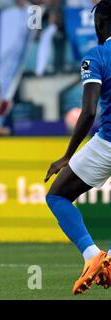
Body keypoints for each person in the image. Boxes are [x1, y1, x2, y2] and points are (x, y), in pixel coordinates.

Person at [44, 0, 111, 295]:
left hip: (108, 143)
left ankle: (91, 254)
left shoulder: (97, 55)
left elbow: (87, 111)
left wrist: (67, 155)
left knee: (58, 196)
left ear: (101, 23)